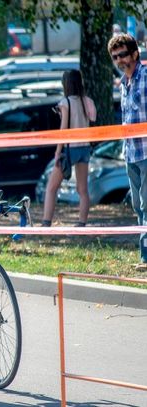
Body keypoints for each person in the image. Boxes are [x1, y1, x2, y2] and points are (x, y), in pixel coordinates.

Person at [108, 33, 147, 270]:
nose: (119, 60)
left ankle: (146, 258)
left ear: (134, 54)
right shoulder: (124, 84)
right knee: (137, 206)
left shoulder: (145, 78)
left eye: (123, 55)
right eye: (115, 57)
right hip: (131, 153)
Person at [41, 70, 96, 227]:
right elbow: (93, 119)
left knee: (51, 188)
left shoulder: (65, 103)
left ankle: (46, 222)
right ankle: (81, 222)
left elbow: (64, 130)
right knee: (82, 189)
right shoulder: (88, 101)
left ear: (65, 84)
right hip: (85, 148)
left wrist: (58, 152)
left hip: (69, 149)